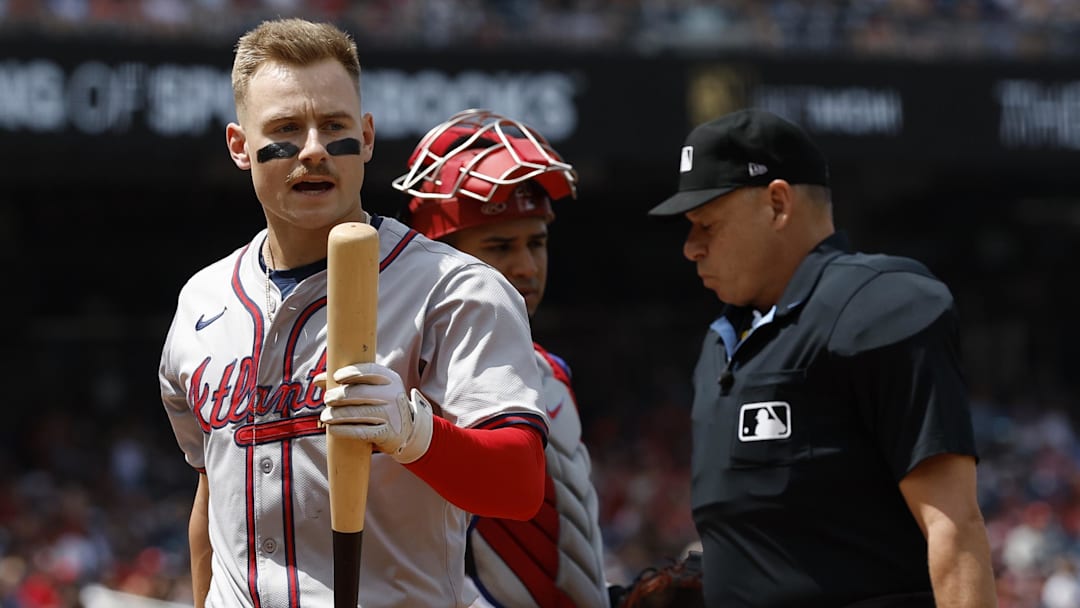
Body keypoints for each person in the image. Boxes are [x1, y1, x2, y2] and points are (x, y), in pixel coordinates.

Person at [158, 20, 549, 608]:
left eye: (334, 126)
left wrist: (417, 435)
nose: (313, 149)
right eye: (286, 128)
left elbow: (519, 487)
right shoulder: (202, 299)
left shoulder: (455, 288)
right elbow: (211, 497)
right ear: (240, 146)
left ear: (366, 137)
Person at [648, 108, 997, 607]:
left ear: (777, 204)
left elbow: (955, 527)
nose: (691, 248)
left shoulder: (880, 304)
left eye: (706, 224)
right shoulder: (720, 342)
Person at [392, 108, 611, 608]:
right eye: (500, 245)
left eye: (537, 243)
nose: (526, 266)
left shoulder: (551, 371)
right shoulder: (407, 381)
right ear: (440, 257)